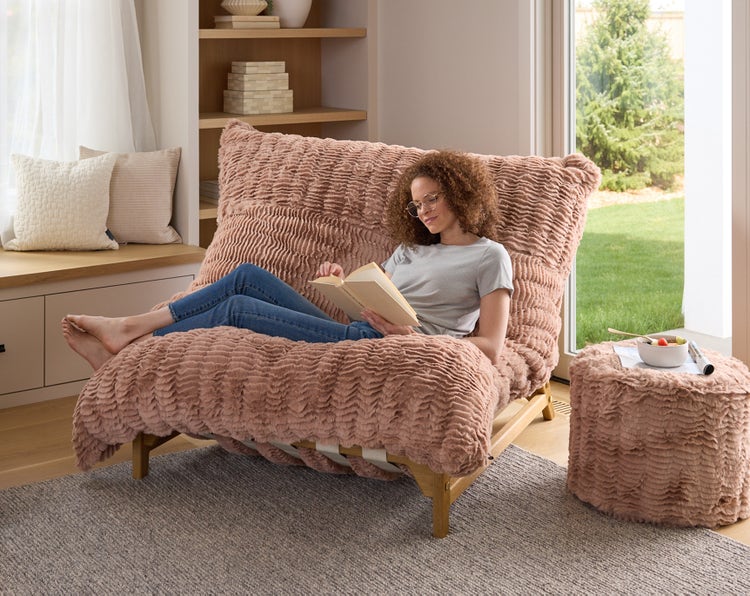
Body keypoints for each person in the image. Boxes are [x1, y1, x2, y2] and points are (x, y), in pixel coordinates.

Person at [62, 150, 513, 371]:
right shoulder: (412, 249)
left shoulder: (490, 257)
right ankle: (129, 332)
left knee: (236, 311)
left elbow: (491, 347)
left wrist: (412, 340)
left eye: (432, 199)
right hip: (359, 329)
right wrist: (343, 284)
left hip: (392, 349)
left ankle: (127, 348)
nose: (425, 211)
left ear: (460, 192)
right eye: (416, 205)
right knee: (247, 276)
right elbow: (372, 301)